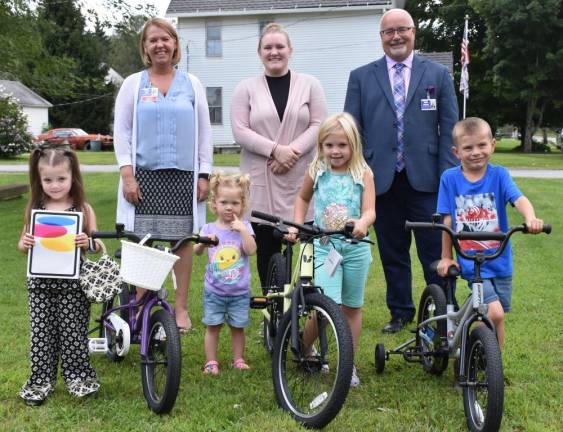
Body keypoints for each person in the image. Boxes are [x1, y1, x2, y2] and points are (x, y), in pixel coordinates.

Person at [344, 8, 459, 333]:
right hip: (380, 180)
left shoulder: (437, 75)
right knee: (393, 252)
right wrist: (360, 175)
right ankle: (401, 312)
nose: (396, 36)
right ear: (381, 37)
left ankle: (442, 310)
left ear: (414, 32)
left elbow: (450, 129)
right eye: (388, 31)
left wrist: (446, 181)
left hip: (426, 181)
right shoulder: (361, 77)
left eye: (402, 29)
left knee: (434, 251)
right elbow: (351, 130)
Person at [113, 17, 213, 332]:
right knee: (142, 242)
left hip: (183, 176)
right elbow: (122, 132)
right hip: (144, 177)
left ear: (175, 45)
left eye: (165, 39)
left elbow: (205, 133)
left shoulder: (192, 84)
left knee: (182, 241)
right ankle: (142, 305)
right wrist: (128, 176)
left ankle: (180, 308)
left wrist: (204, 174)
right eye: (153, 40)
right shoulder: (133, 84)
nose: (160, 45)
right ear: (145, 47)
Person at [231, 22, 327, 287]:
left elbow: (319, 124)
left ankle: (308, 307)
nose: (274, 52)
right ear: (259, 52)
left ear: (290, 50)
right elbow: (240, 129)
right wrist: (275, 150)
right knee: (267, 251)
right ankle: (272, 313)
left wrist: (292, 153)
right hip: (262, 178)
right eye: (268, 47)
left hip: (300, 176)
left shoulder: (310, 84)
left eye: (279, 46)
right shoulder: (245, 88)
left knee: (308, 251)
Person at [436, 117, 544, 349]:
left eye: (481, 145)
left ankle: (487, 364)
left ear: (492, 145)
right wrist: (446, 255)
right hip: (471, 261)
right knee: (494, 314)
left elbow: (519, 199)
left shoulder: (500, 175)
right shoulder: (450, 179)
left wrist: (530, 218)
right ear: (456, 151)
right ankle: (484, 362)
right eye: (468, 147)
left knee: (496, 316)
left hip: (500, 260)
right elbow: (447, 220)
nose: (476, 152)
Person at [290, 113, 375, 387]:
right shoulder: (317, 171)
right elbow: (302, 199)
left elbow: (370, 210)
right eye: (329, 145)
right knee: (329, 305)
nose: (335, 151)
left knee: (352, 306)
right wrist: (297, 225)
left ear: (353, 145)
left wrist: (362, 222)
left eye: (342, 145)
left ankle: (347, 365)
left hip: (355, 249)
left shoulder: (363, 173)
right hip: (326, 247)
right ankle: (304, 345)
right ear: (321, 146)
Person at [17, 146, 100, 406]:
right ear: (39, 180)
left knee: (73, 333)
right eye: (48, 180)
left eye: (60, 179)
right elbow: (22, 245)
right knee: (42, 334)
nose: (54, 185)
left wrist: (87, 241)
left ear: (72, 177)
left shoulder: (83, 209)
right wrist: (26, 242)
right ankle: (40, 382)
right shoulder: (35, 210)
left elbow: (98, 246)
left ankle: (79, 379)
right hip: (40, 285)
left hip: (73, 286)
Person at [194, 173, 257, 375]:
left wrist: (243, 231)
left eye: (235, 203)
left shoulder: (245, 227)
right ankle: (211, 361)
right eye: (224, 202)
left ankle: (238, 359)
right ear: (215, 204)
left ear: (242, 205)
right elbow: (196, 250)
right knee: (213, 326)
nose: (229, 207)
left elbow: (251, 250)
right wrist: (204, 241)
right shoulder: (209, 228)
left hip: (239, 291)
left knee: (238, 327)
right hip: (215, 290)